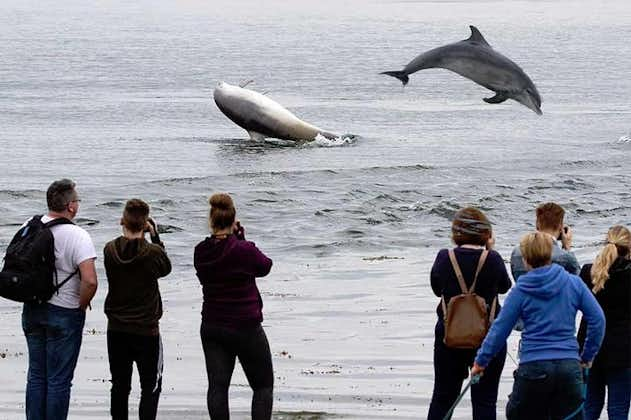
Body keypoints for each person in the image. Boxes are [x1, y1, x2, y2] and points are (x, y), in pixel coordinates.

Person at [472, 231, 606, 420]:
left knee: (517, 413)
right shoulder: (573, 282)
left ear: (525, 259)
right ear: (551, 254)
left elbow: (499, 329)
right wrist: (587, 356)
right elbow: (598, 319)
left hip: (533, 367)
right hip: (569, 365)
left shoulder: (521, 290)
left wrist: (481, 361)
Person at [21, 179, 98, 420]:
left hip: (32, 309)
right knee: (58, 380)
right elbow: (90, 280)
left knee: (36, 376)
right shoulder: (78, 235)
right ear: (71, 207)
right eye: (77, 200)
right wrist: (81, 305)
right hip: (65, 312)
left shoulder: (29, 226)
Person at [427, 207, 512, 420]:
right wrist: (490, 250)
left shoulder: (444, 257)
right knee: (485, 401)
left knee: (443, 397)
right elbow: (504, 286)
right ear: (486, 233)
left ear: (456, 232)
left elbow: (437, 289)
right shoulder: (492, 259)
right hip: (487, 337)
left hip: (449, 335)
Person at [194, 193, 274, 420]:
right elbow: (265, 266)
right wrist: (242, 240)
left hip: (212, 324)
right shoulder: (244, 250)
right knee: (262, 386)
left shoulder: (201, 251)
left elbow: (205, 274)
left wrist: (237, 242)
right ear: (233, 220)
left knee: (218, 387)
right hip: (245, 325)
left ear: (211, 220)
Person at [103, 199, 172, 420]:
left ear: (122, 220)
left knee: (120, 386)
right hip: (146, 330)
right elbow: (166, 268)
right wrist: (155, 236)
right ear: (145, 225)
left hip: (116, 328)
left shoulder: (110, 250)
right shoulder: (152, 253)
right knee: (150, 386)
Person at [577, 225, 631, 420]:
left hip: (589, 346)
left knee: (590, 406)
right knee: (618, 409)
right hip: (622, 350)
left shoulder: (587, 272)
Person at [511, 202, 580, 281]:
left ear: (537, 224)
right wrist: (567, 248)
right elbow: (577, 283)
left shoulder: (517, 252)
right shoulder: (566, 257)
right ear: (560, 226)